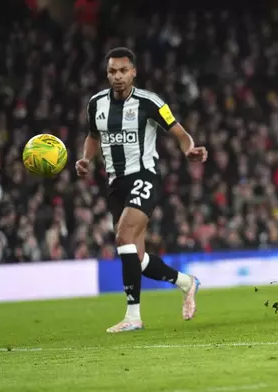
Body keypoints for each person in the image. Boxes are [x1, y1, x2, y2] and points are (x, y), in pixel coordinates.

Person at [76, 47, 208, 333]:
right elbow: (93, 136)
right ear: (107, 73)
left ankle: (133, 316)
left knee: (123, 235)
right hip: (116, 184)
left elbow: (179, 132)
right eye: (112, 71)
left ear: (134, 72)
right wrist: (86, 159)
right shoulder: (96, 104)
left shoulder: (150, 102)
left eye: (123, 70)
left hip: (145, 176)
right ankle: (186, 283)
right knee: (135, 257)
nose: (118, 76)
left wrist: (189, 150)